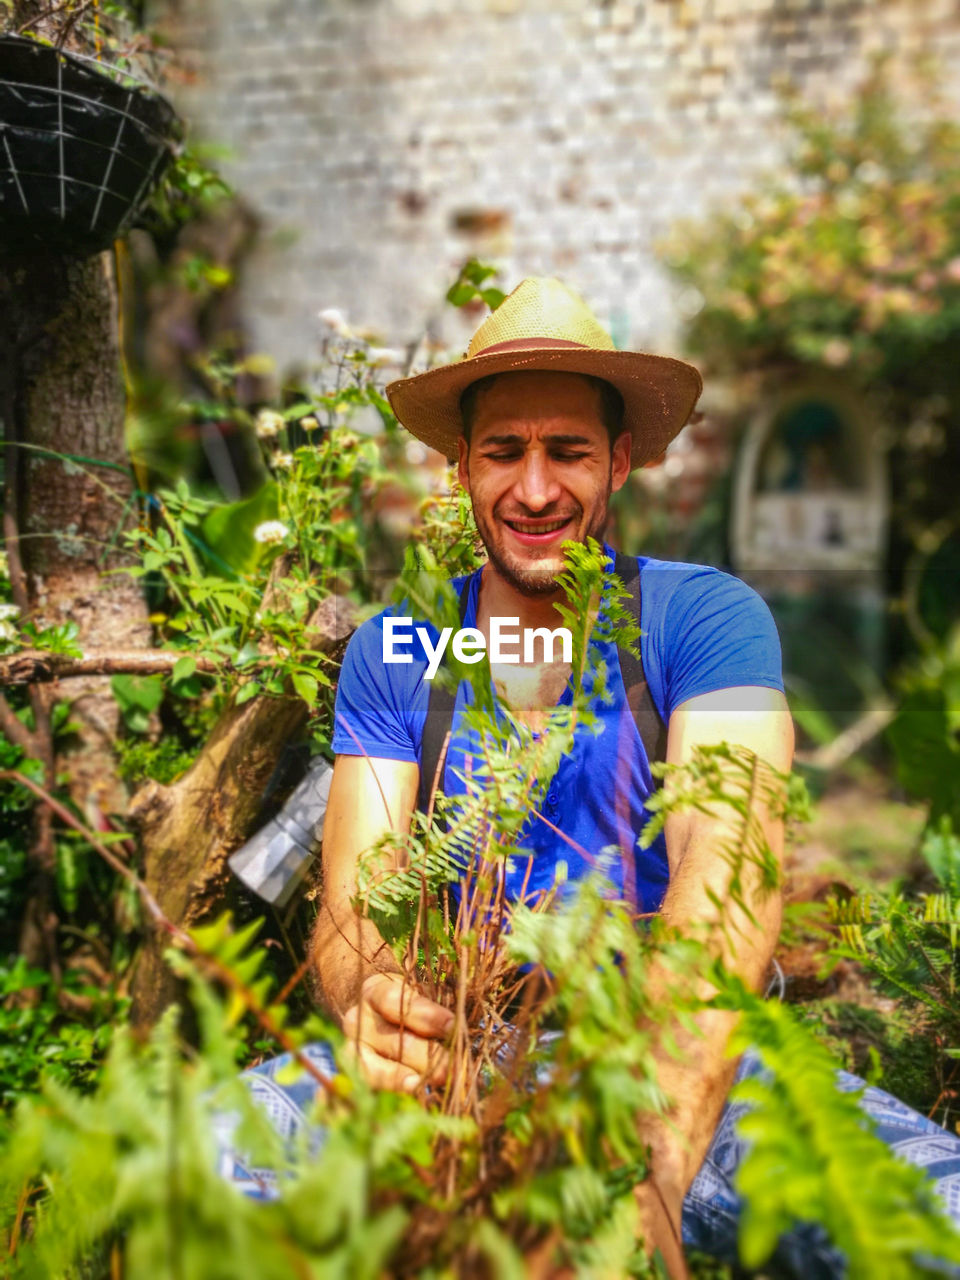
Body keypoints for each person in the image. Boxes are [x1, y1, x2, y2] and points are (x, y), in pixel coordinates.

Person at [224, 278, 960, 1277]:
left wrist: (651, 1147)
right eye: (504, 451)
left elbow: (728, 855)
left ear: (620, 461)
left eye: (568, 450)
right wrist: (383, 1000)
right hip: (458, 1060)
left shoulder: (700, 619)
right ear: (459, 468)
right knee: (201, 1170)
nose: (534, 489)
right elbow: (360, 896)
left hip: (689, 1056)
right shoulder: (398, 648)